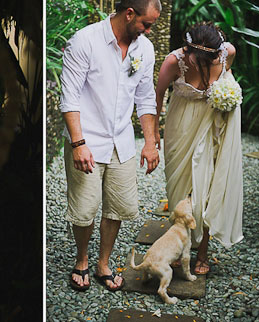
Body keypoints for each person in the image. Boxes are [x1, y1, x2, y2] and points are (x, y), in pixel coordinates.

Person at [59, 0, 161, 292]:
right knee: (85, 208)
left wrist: (151, 142)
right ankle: (81, 260)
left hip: (122, 141)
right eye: (146, 24)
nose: (149, 31)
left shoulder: (144, 49)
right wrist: (78, 143)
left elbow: (145, 100)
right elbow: (70, 98)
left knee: (115, 207)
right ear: (129, 14)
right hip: (87, 140)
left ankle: (103, 264)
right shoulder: (84, 41)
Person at [154, 22, 243, 275]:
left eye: (208, 59)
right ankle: (177, 243)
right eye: (197, 59)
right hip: (181, 124)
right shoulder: (174, 62)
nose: (200, 64)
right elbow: (158, 95)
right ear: (187, 50)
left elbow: (228, 77)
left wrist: (225, 95)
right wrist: (154, 135)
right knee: (177, 187)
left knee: (208, 186)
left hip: (214, 125)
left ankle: (202, 250)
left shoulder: (229, 52)